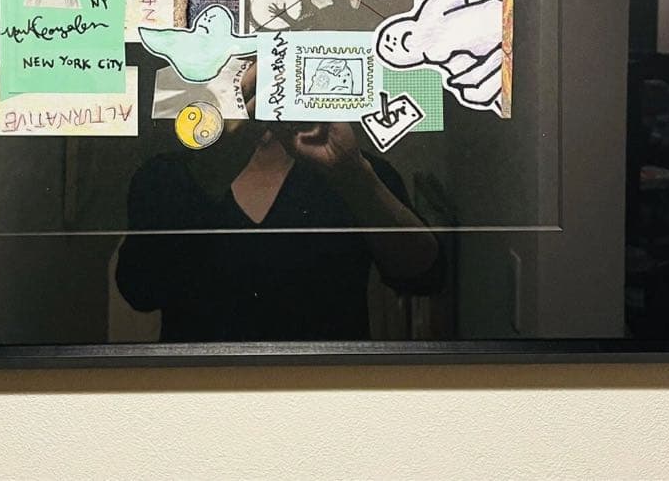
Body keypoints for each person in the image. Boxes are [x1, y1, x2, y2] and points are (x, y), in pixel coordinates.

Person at [115, 64, 443, 341]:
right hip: (203, 387)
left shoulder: (349, 167)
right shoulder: (167, 176)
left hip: (327, 386)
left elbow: (425, 276)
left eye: (277, 63)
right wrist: (214, 168)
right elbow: (140, 291)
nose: (264, 84)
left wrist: (352, 175)